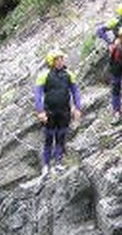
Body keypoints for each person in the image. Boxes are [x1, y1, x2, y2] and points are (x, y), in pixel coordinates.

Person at [34, 49, 82, 178]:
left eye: (61, 59)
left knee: (61, 137)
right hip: (49, 112)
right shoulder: (43, 75)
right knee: (49, 138)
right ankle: (45, 165)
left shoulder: (69, 75)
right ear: (51, 61)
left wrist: (77, 108)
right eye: (57, 59)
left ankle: (58, 162)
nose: (60, 61)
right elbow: (37, 95)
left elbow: (75, 92)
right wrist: (40, 112)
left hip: (64, 111)